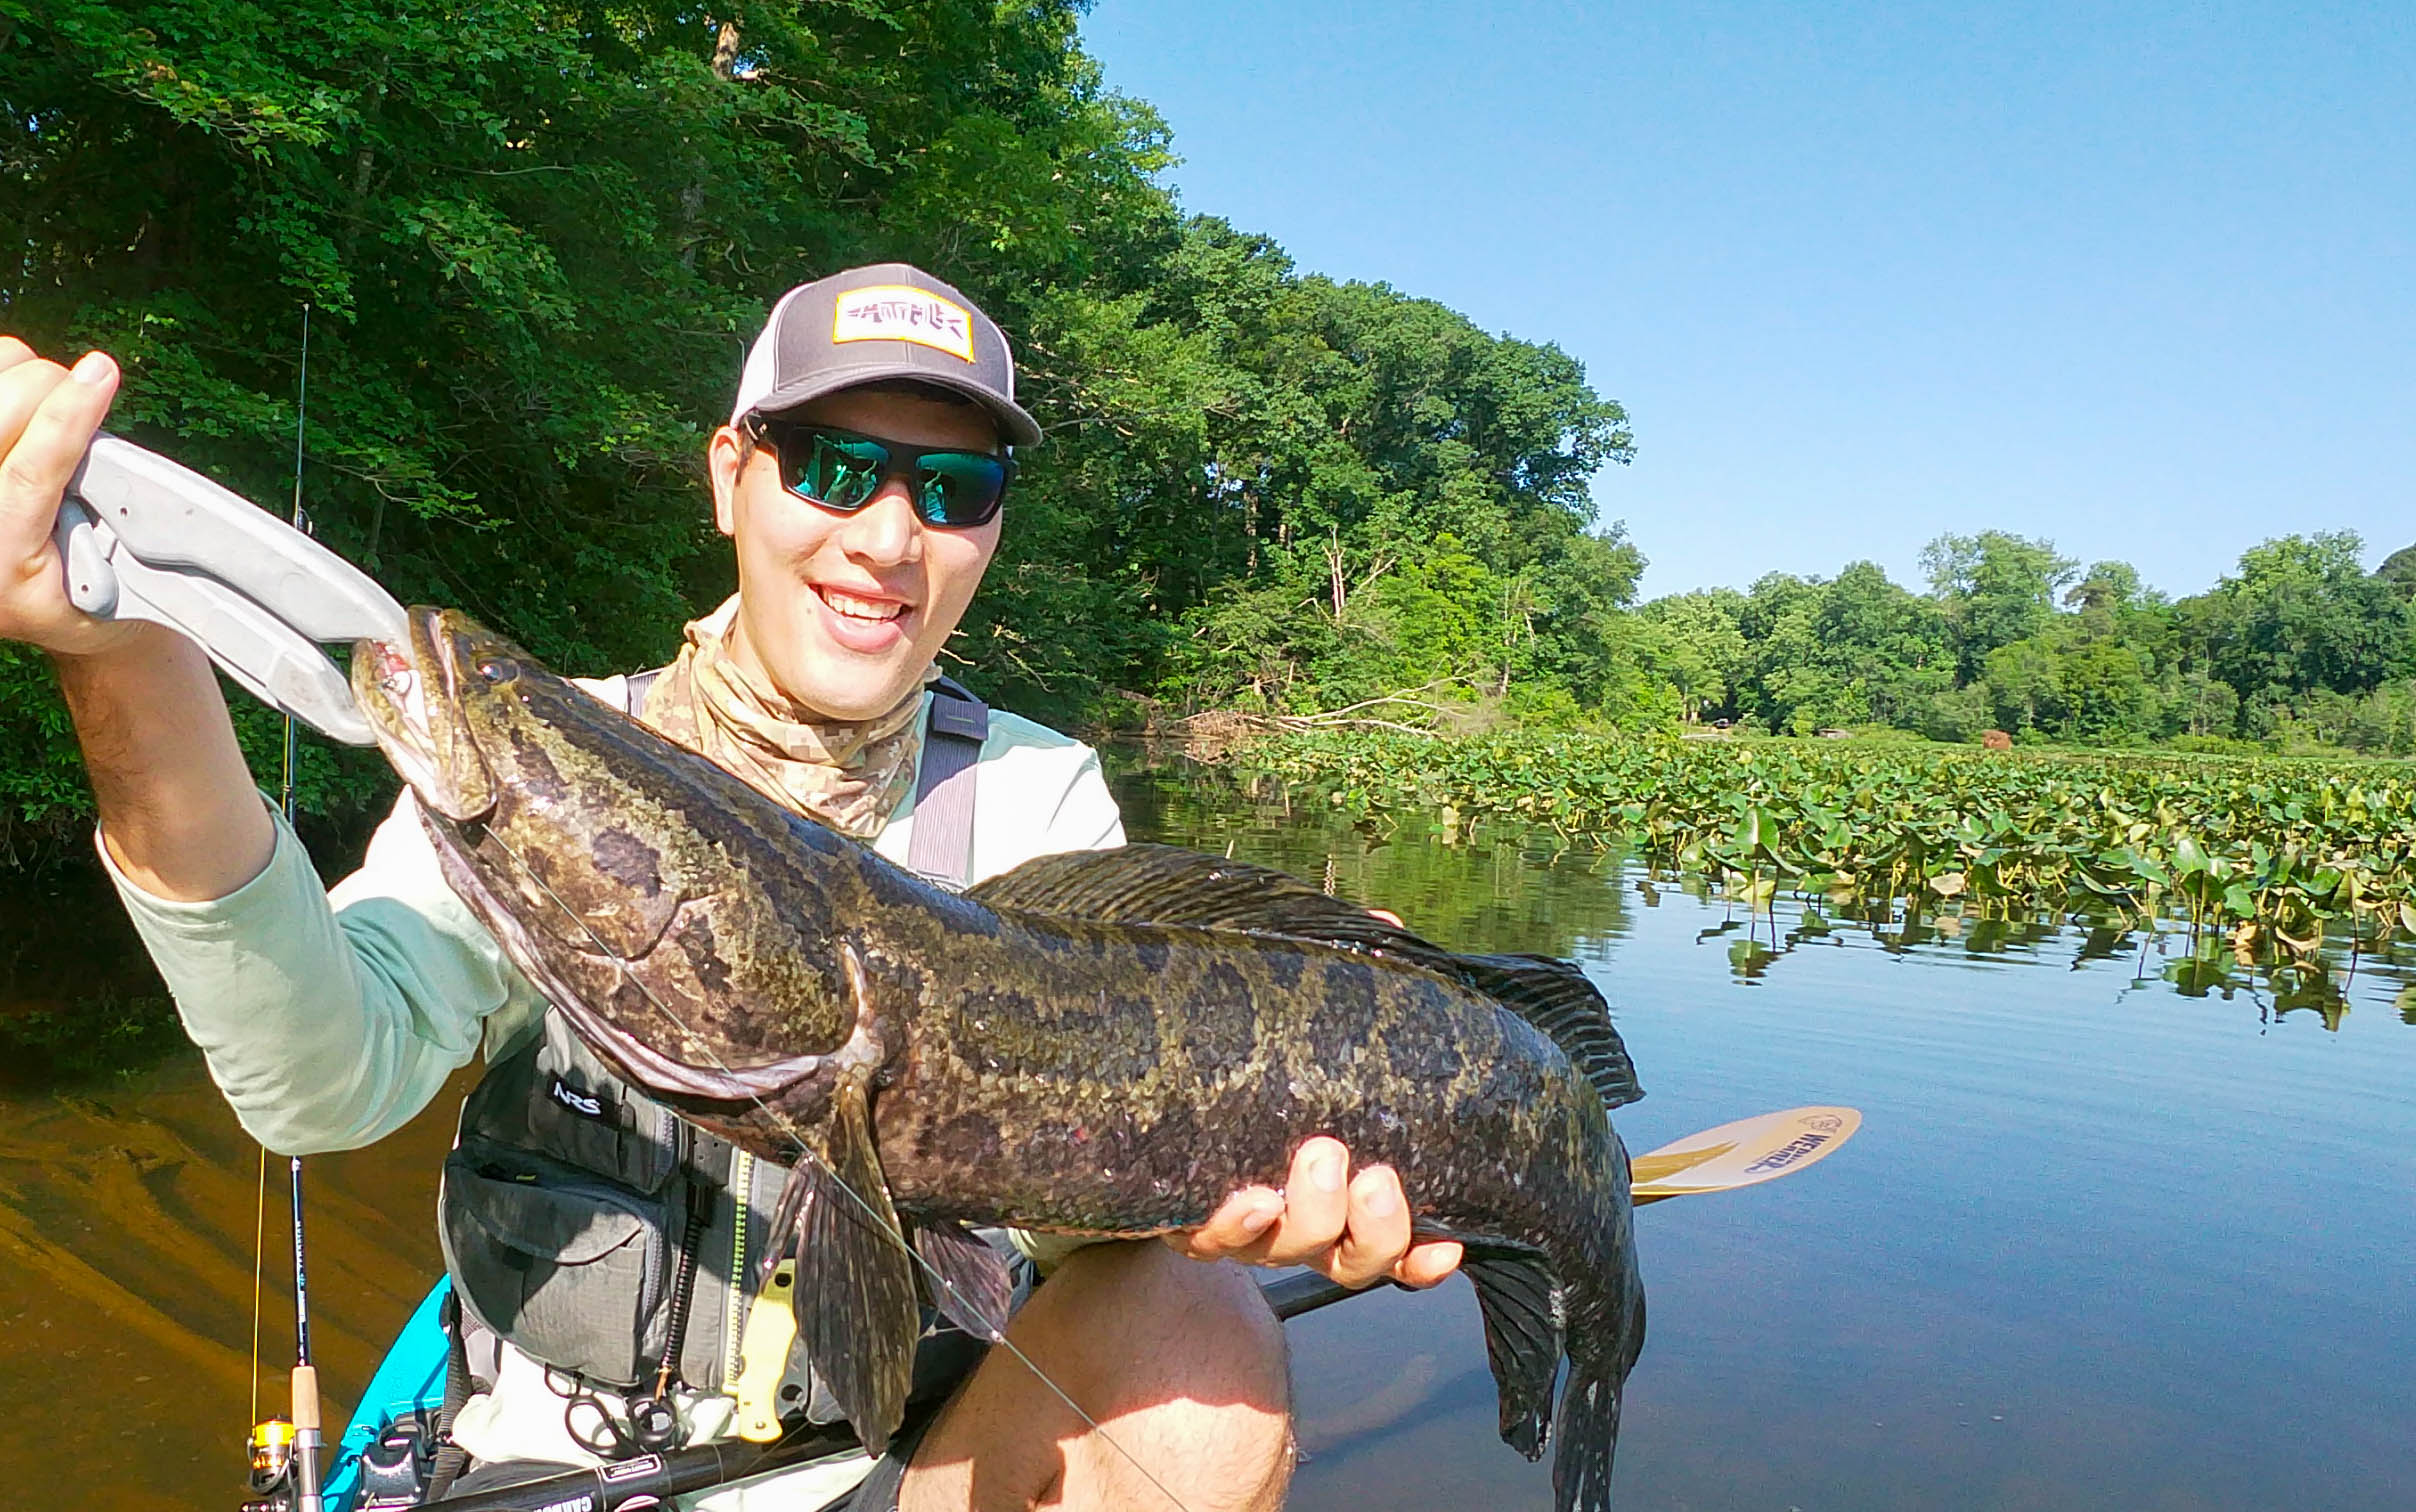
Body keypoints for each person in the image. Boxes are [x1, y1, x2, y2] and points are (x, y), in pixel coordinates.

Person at [0, 263, 1464, 1511]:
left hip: (890, 1471)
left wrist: (1250, 1175)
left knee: (1199, 1338)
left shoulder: (1036, 799)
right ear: (730, 475)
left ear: (992, 533)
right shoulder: (560, 758)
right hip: (542, 1465)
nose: (889, 536)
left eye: (952, 489)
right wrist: (122, 654)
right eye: (832, 465)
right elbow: (319, 1084)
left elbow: (1081, 1237)